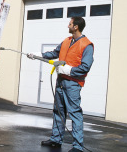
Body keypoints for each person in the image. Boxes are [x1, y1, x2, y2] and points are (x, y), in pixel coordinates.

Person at [28, 17, 94, 152]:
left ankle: (78, 146)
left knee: (75, 113)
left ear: (76, 27)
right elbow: (54, 53)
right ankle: (56, 140)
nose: (67, 26)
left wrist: (69, 70)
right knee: (58, 111)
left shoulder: (87, 45)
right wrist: (38, 55)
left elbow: (85, 67)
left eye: (69, 24)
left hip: (73, 84)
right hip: (60, 81)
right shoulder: (66, 41)